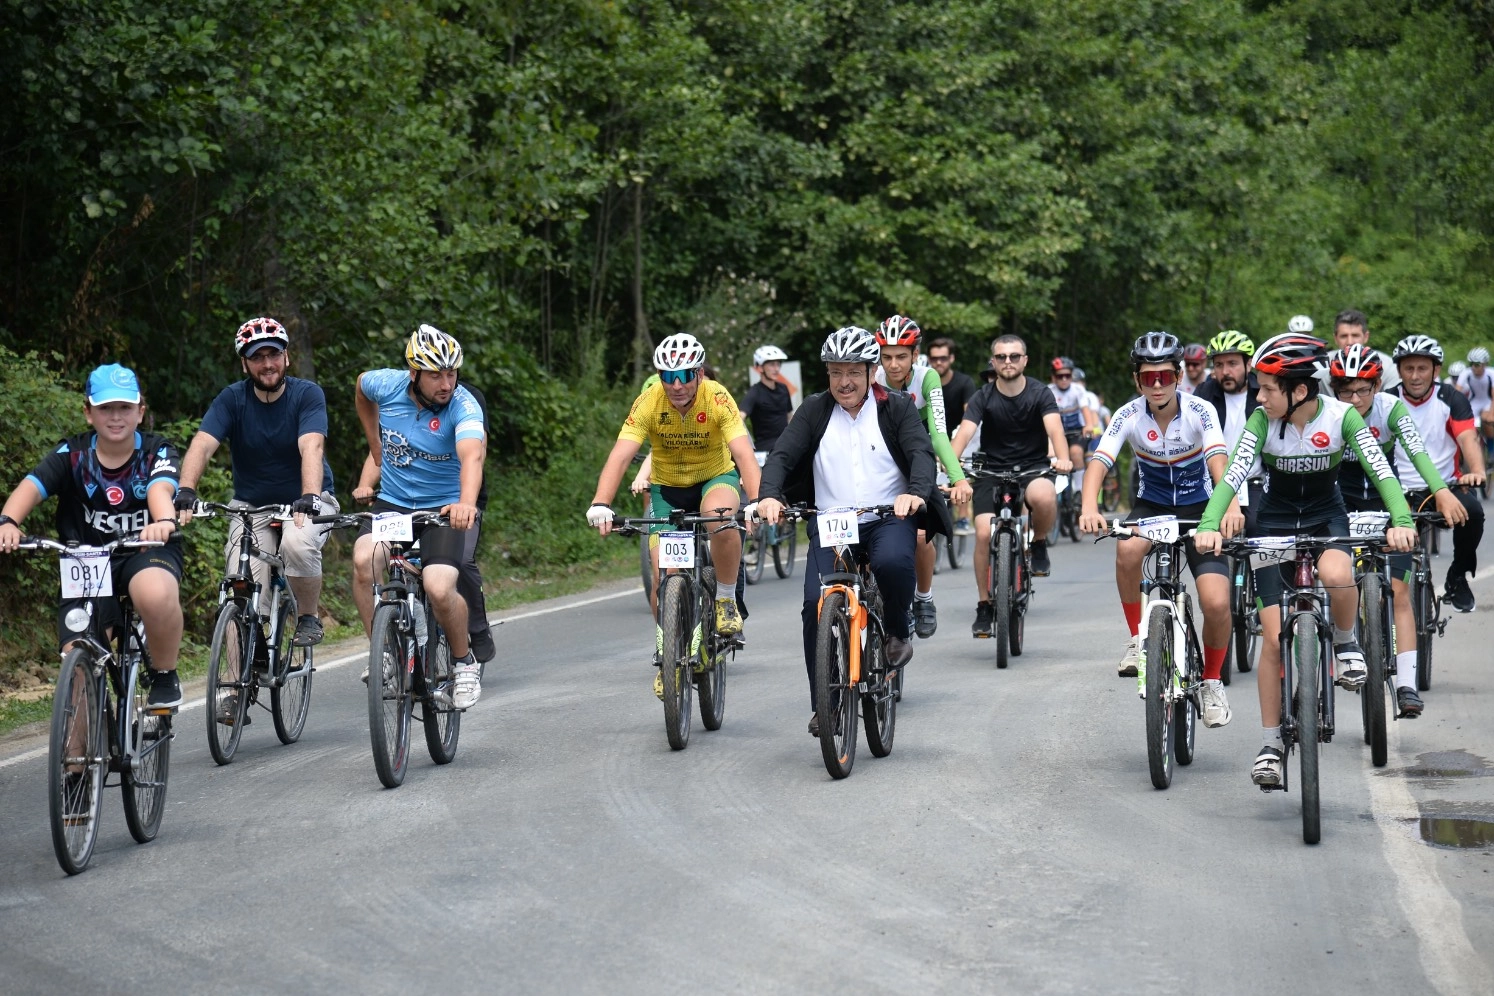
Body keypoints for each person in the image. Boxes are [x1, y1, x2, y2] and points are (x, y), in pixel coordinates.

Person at [1193, 333, 1416, 787]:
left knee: (1336, 572)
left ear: (1298, 391)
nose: (1259, 396)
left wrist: (1402, 518)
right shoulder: (1261, 421)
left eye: (1267, 388)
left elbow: (1382, 471)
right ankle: (1272, 744)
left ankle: (1347, 642)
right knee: (1273, 640)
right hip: (1272, 521)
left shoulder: (1341, 417)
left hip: (1325, 517)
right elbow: (1234, 473)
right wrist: (1209, 523)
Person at [755, 326, 944, 735]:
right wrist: (768, 494)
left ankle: (896, 630)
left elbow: (920, 453)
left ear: (871, 372)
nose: (845, 382)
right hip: (832, 522)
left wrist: (914, 493)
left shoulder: (896, 407)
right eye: (836, 372)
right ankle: (824, 704)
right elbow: (782, 456)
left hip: (886, 516)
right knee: (813, 607)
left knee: (894, 562)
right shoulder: (813, 410)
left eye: (854, 372)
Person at [0, 365, 185, 707]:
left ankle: (163, 675)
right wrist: (8, 522)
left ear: (140, 411)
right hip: (87, 561)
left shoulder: (158, 451)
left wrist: (163, 521)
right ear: (88, 412)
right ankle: (75, 760)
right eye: (105, 408)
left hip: (145, 549)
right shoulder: (72, 455)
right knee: (80, 655)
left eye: (125, 408)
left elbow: (161, 489)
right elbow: (31, 486)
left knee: (155, 593)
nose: (116, 417)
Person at [587, 334, 760, 698]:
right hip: (668, 490)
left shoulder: (716, 397)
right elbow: (620, 455)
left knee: (719, 516)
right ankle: (670, 652)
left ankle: (726, 600)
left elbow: (743, 453)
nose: (677, 385)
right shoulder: (650, 400)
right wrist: (601, 502)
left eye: (684, 375)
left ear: (698, 372)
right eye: (669, 376)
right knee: (663, 578)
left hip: (715, 478)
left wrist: (759, 499)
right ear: (660, 377)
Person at [1080, 334, 1232, 720]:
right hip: (1153, 507)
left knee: (1215, 602)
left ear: (1179, 375)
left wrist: (1224, 510)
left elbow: (1218, 463)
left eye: (1165, 375)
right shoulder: (1127, 415)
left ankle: (1212, 681)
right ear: (1137, 381)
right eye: (1149, 378)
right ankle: (1136, 638)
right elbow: (1099, 462)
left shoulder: (1201, 411)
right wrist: (1088, 507)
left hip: (1203, 509)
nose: (1158, 385)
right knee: (1127, 548)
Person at [174, 317, 338, 648]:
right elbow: (203, 444)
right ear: (245, 363)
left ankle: (307, 615)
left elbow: (311, 446)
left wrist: (308, 495)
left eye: (273, 355)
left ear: (286, 356)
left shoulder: (306, 395)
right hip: (252, 506)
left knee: (297, 543)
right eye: (257, 357)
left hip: (305, 500)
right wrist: (187, 489)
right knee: (239, 583)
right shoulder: (232, 399)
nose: (267, 364)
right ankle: (234, 688)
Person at [352, 325, 486, 709]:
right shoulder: (386, 385)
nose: (447, 383)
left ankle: (463, 663)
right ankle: (386, 656)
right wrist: (374, 443)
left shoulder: (463, 406)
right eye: (436, 375)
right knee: (364, 561)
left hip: (442, 508)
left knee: (440, 587)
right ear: (414, 374)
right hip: (393, 503)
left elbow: (472, 457)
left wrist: (465, 503)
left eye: (452, 373)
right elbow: (360, 388)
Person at [1329, 344, 1466, 717]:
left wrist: (1440, 491)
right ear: (1334, 389)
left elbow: (1417, 452)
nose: (1355, 399)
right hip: (1339, 505)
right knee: (1335, 582)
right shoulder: (1329, 412)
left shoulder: (1391, 408)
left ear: (1377, 386)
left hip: (1386, 503)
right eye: (1346, 390)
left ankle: (1406, 685)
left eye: (1363, 390)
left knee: (1400, 591)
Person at [950, 335, 1072, 635]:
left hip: (1033, 468)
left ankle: (1039, 542)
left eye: (1014, 356)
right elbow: (964, 434)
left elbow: (1055, 430)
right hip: (991, 470)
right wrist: (952, 469)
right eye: (1001, 357)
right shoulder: (983, 396)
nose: (1008, 362)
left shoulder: (1040, 393)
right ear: (994, 361)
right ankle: (984, 605)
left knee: (1044, 496)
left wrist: (1063, 458)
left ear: (1024, 360)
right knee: (982, 531)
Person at [873, 316, 972, 638]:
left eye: (901, 356)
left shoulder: (928, 378)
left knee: (918, 536)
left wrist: (956, 478)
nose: (893, 364)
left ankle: (924, 598)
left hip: (919, 457)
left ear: (915, 355)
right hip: (882, 457)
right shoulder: (872, 377)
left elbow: (940, 434)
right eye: (886, 356)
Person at [1387, 335, 1486, 613]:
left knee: (1473, 512)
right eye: (1409, 369)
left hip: (1445, 487)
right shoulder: (1387, 401)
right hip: (1396, 490)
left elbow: (1468, 438)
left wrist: (1476, 471)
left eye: (1422, 368)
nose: (1415, 376)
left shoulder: (1452, 399)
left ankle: (1457, 575)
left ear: (1436, 370)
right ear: (1399, 371)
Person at [927, 336, 978, 535]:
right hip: (931, 434)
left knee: (962, 465)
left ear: (952, 359)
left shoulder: (964, 383)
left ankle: (963, 517)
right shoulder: (925, 381)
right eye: (934, 359)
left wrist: (954, 444)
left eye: (943, 358)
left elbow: (969, 416)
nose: (938, 362)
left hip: (959, 433)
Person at [1046, 355, 1096, 497]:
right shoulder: (1048, 391)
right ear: (1053, 377)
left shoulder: (1077, 390)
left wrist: (1089, 425)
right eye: (1060, 376)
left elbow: (1085, 409)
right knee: (1052, 456)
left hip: (1075, 430)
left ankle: (1079, 491)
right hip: (1056, 432)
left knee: (1075, 453)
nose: (1064, 379)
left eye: (1067, 376)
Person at [740, 345, 795, 452]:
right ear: (760, 367)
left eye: (778, 364)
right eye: (772, 364)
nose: (776, 369)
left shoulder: (783, 388)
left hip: (786, 443)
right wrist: (747, 445)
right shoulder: (755, 392)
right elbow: (738, 418)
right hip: (765, 449)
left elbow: (790, 417)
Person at [1331, 309, 1400, 391]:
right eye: (1344, 336)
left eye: (1355, 335)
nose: (1350, 342)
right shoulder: (1322, 366)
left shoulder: (1388, 366)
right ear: (1335, 338)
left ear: (1366, 336)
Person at [1454, 347, 1493, 452]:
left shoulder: (1491, 374)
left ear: (1484, 364)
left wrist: (1491, 413)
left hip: (1488, 402)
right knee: (1467, 424)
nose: (1473, 368)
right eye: (1471, 364)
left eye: (1476, 365)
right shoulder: (1466, 373)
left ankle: (1491, 452)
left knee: (1488, 422)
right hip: (1474, 402)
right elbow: (1457, 393)